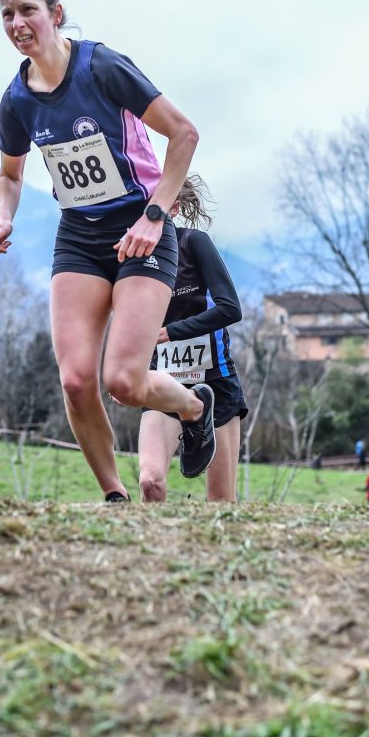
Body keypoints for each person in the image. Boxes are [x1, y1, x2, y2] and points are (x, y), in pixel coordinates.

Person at [0, 0, 213, 502]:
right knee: (75, 379)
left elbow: (184, 134)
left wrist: (155, 216)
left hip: (141, 230)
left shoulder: (102, 67)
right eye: (7, 13)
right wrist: (4, 216)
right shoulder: (16, 100)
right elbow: (9, 174)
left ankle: (193, 407)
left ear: (56, 13)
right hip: (80, 238)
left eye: (28, 9)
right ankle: (114, 496)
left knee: (124, 382)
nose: (17, 23)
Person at [137, 176, 247, 503]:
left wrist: (170, 332)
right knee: (150, 482)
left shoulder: (193, 243)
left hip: (215, 382)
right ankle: (154, 538)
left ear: (175, 208)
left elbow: (230, 309)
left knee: (221, 502)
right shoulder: (134, 255)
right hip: (164, 383)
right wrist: (124, 373)